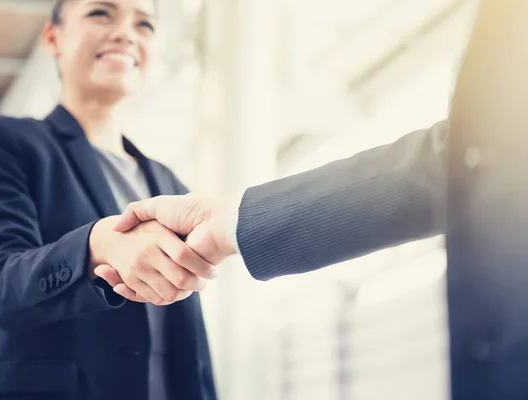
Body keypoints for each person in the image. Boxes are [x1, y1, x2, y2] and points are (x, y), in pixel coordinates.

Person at [103, 1, 528, 399]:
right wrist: (232, 220)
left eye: (144, 22)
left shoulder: (161, 175)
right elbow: (461, 163)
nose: (125, 35)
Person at [0, 0, 217, 399]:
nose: (126, 32)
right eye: (101, 13)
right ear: (52, 37)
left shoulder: (170, 183)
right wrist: (94, 247)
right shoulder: (3, 141)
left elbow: (191, 342)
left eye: (144, 25)